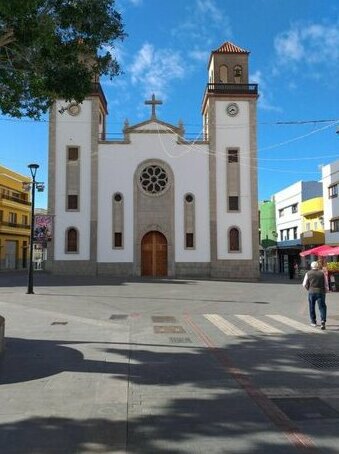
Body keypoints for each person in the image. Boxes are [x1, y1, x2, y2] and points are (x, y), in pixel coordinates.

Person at [302, 261, 329, 330]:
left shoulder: (308, 273)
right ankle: (323, 321)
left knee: (312, 306)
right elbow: (326, 283)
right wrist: (326, 290)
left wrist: (308, 289)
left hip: (311, 292)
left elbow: (304, 284)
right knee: (322, 307)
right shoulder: (322, 273)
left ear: (311, 266)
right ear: (318, 266)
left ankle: (313, 322)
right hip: (320, 292)